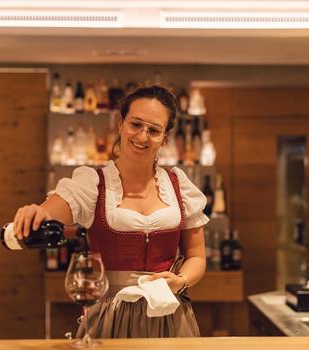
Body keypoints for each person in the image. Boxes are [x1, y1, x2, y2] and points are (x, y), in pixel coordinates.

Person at [12, 85, 209, 338]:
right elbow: (57, 207)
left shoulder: (179, 185)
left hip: (169, 314)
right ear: (120, 123)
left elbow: (197, 257)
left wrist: (180, 282)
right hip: (110, 314)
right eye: (135, 124)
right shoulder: (93, 183)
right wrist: (38, 212)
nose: (142, 135)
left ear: (165, 137)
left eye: (154, 130)